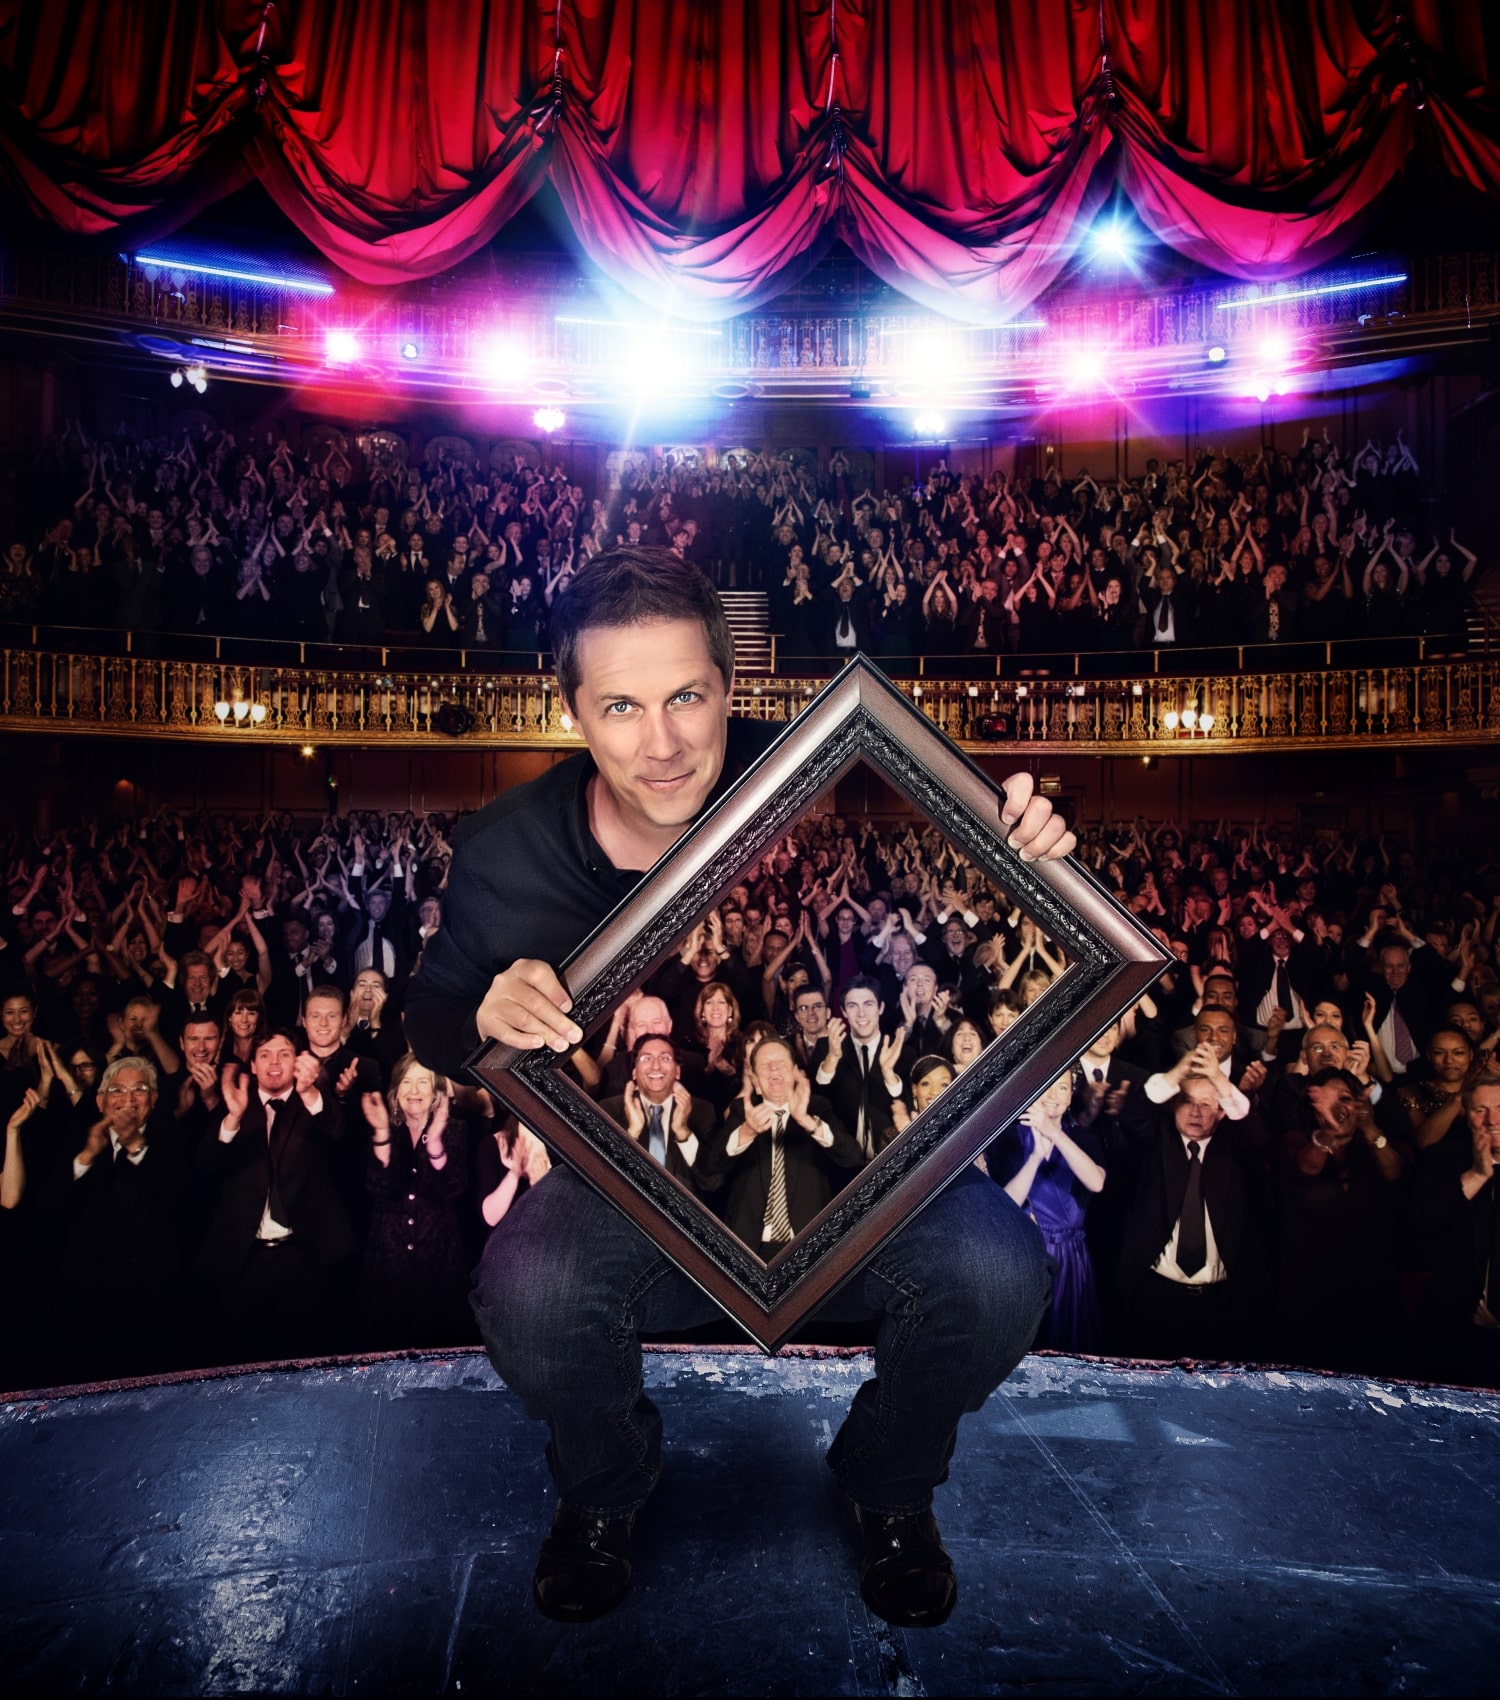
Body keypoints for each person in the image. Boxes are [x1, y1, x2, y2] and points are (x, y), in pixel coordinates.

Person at [405, 547, 1070, 1629]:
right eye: (620, 705)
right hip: (633, 1181)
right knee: (527, 1288)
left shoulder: (823, 770)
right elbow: (427, 1016)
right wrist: (480, 1008)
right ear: (572, 709)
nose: (660, 742)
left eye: (686, 697)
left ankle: (889, 1485)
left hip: (838, 1174)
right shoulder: (504, 849)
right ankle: (606, 1488)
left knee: (997, 1268)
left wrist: (1031, 837)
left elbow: (976, 851)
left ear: (730, 689)